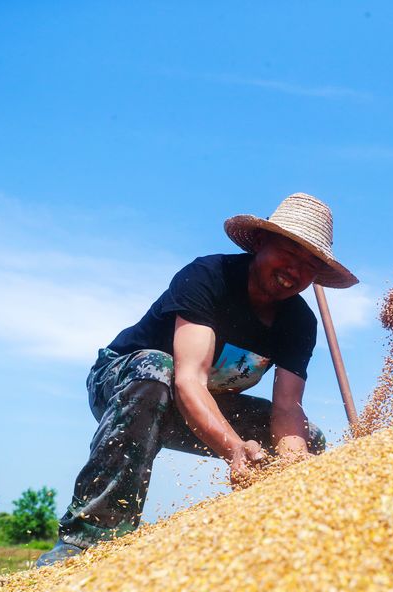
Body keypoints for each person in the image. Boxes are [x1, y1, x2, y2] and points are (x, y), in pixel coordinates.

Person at [36, 193, 358, 566]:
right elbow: (188, 379)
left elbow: (287, 407)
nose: (295, 270)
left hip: (206, 405)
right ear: (259, 243)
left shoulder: (299, 323)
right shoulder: (209, 277)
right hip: (128, 385)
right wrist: (236, 449)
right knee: (159, 369)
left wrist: (293, 469)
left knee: (307, 439)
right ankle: (88, 540)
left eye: (309, 264)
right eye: (288, 251)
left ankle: (266, 547)